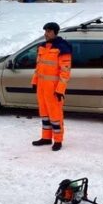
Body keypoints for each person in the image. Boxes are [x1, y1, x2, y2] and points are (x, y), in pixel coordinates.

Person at [31, 22, 72, 151]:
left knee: (55, 116)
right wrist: (34, 81)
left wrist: (60, 90)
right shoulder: (42, 47)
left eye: (48, 31)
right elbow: (38, 68)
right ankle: (46, 138)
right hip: (42, 88)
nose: (46, 34)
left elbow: (65, 72)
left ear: (55, 32)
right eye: (45, 31)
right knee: (44, 114)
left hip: (54, 90)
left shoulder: (62, 48)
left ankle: (58, 140)